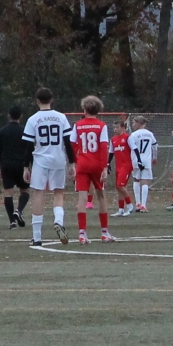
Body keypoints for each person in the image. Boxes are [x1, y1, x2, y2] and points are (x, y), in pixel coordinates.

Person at [23, 87, 73, 246]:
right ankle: (58, 221)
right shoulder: (61, 118)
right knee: (58, 193)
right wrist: (72, 163)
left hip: (40, 161)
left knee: (38, 194)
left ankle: (37, 237)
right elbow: (68, 142)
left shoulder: (32, 119)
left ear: (37, 101)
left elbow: (28, 145)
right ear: (51, 100)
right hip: (58, 159)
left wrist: (26, 167)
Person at [71, 96, 115, 244]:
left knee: (82, 199)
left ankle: (82, 234)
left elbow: (72, 146)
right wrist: (105, 167)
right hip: (97, 165)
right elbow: (103, 147)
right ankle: (104, 233)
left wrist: (76, 162)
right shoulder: (101, 126)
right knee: (101, 196)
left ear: (84, 109)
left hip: (82, 165)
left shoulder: (77, 125)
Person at [0, 104, 31, 230]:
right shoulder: (25, 130)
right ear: (20, 116)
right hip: (21, 165)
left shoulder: (2, 131)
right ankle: (19, 211)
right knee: (25, 191)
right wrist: (29, 165)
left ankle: (12, 222)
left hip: (7, 165)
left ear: (9, 116)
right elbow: (29, 149)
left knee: (8, 193)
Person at [127, 116, 158, 213]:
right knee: (145, 181)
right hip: (146, 160)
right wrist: (154, 157)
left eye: (134, 122)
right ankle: (143, 205)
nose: (132, 124)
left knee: (136, 179)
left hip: (136, 160)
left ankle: (138, 203)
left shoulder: (133, 135)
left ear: (139, 123)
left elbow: (132, 147)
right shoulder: (150, 134)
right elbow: (155, 146)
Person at [110, 118, 133, 217]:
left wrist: (138, 162)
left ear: (123, 128)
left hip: (126, 165)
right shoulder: (113, 139)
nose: (115, 129)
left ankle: (130, 205)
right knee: (118, 188)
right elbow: (111, 152)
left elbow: (134, 149)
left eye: (117, 127)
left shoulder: (128, 138)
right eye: (114, 128)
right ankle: (121, 209)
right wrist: (108, 163)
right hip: (118, 166)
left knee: (120, 185)